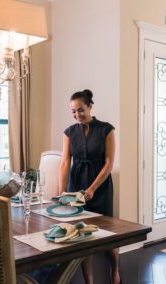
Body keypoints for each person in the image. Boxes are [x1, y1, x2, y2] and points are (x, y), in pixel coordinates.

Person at [59, 89, 121, 284]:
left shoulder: (106, 130)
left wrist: (93, 188)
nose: (77, 114)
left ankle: (115, 270)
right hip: (75, 186)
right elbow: (64, 163)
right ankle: (89, 282)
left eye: (80, 110)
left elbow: (109, 163)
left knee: (107, 236)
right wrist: (62, 192)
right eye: (73, 111)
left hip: (100, 187)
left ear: (90, 107)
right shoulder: (69, 132)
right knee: (83, 237)